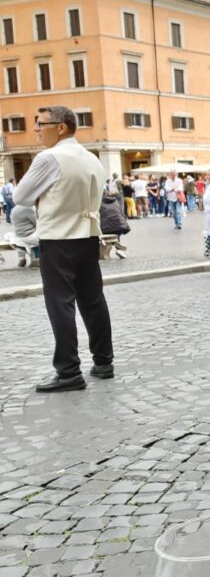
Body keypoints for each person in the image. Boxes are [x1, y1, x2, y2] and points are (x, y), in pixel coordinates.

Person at [14, 105, 114, 392]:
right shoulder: (92, 158)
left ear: (61, 127)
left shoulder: (49, 157)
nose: (35, 129)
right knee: (93, 301)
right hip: (87, 236)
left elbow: (21, 197)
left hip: (58, 238)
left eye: (40, 123)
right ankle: (104, 361)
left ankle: (69, 372)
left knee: (60, 304)